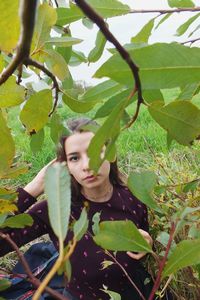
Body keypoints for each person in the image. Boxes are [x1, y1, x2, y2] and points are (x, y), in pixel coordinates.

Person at [0, 118, 156, 300]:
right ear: (66, 166)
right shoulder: (56, 210)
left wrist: (147, 246)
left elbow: (141, 249)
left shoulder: (134, 197)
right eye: (74, 158)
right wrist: (33, 188)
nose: (87, 165)